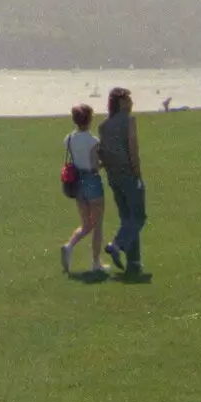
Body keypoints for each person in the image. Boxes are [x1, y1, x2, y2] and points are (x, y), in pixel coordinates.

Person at [98, 87, 148, 276]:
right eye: (129, 100)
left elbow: (104, 152)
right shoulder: (129, 121)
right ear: (121, 102)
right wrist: (138, 175)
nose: (132, 103)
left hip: (114, 177)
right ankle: (117, 245)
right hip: (128, 175)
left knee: (127, 219)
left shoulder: (103, 126)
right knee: (139, 217)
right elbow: (132, 150)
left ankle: (134, 263)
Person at [60, 104, 106, 275]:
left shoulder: (70, 139)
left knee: (86, 224)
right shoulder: (93, 141)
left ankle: (69, 245)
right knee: (97, 224)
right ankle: (95, 262)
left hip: (77, 182)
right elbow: (95, 166)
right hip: (92, 181)